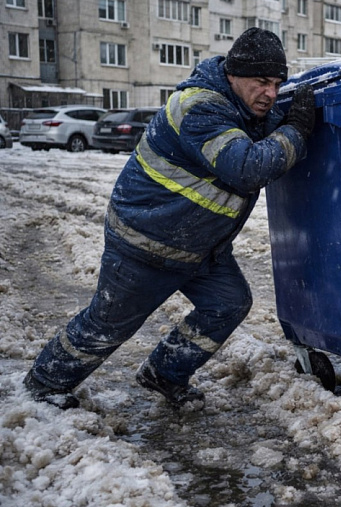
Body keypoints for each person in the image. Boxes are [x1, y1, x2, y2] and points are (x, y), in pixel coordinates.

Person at [23, 27, 316, 410]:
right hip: (146, 241)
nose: (271, 93)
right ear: (233, 75)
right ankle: (42, 387)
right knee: (109, 323)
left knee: (228, 303)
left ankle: (164, 372)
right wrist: (295, 131)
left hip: (196, 245)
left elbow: (270, 126)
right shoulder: (202, 108)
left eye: (278, 84)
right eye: (262, 82)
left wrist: (298, 113)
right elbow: (246, 167)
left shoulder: (245, 109)